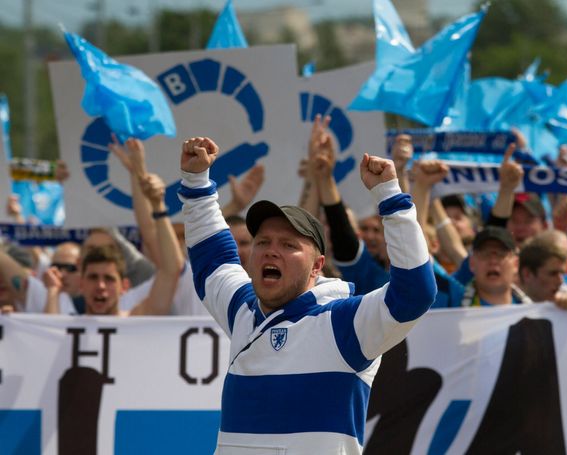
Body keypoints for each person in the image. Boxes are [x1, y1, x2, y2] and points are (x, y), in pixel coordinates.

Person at [178, 136, 436, 454]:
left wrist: (391, 198)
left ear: (317, 267)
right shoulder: (243, 311)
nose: (271, 252)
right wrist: (195, 180)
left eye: (288, 245)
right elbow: (213, 259)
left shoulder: (344, 323)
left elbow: (416, 293)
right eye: (263, 242)